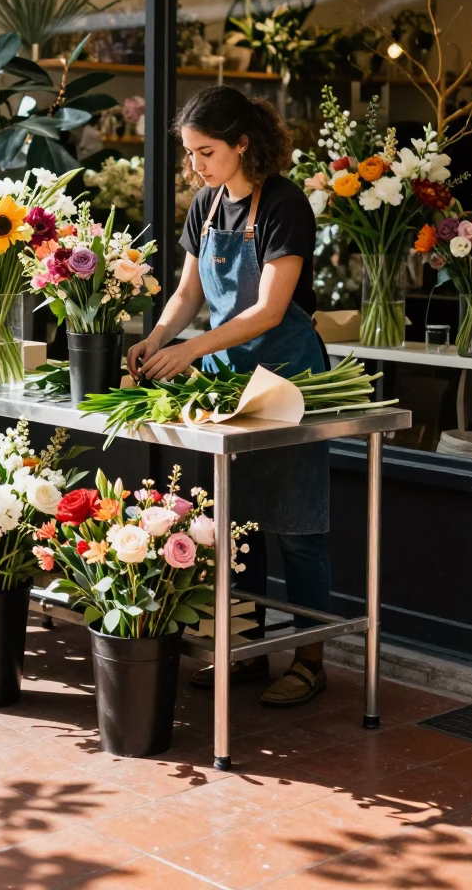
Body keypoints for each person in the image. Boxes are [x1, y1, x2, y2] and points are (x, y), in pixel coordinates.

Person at [126, 86, 329, 708]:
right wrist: (156, 337)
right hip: (226, 383)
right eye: (190, 154)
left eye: (206, 152)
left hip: (286, 381)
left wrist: (189, 349)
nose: (196, 166)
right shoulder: (206, 205)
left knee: (297, 525)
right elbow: (188, 294)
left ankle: (310, 661)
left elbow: (269, 309)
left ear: (243, 144)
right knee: (236, 525)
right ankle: (244, 649)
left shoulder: (285, 205)